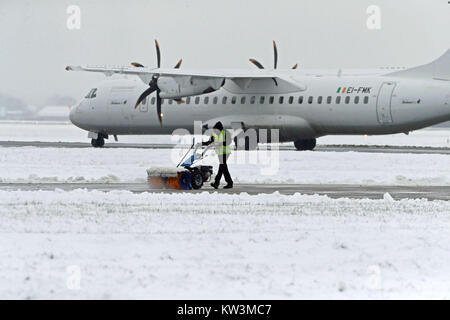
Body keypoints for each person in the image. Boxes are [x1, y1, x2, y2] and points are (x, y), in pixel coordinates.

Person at [197, 121, 233, 189]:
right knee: (224, 168)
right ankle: (230, 183)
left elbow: (229, 142)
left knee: (221, 167)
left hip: (225, 152)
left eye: (216, 129)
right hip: (220, 153)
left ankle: (216, 183)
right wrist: (202, 143)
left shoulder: (225, 133)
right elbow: (210, 142)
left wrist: (220, 143)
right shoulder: (214, 134)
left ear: (220, 129)